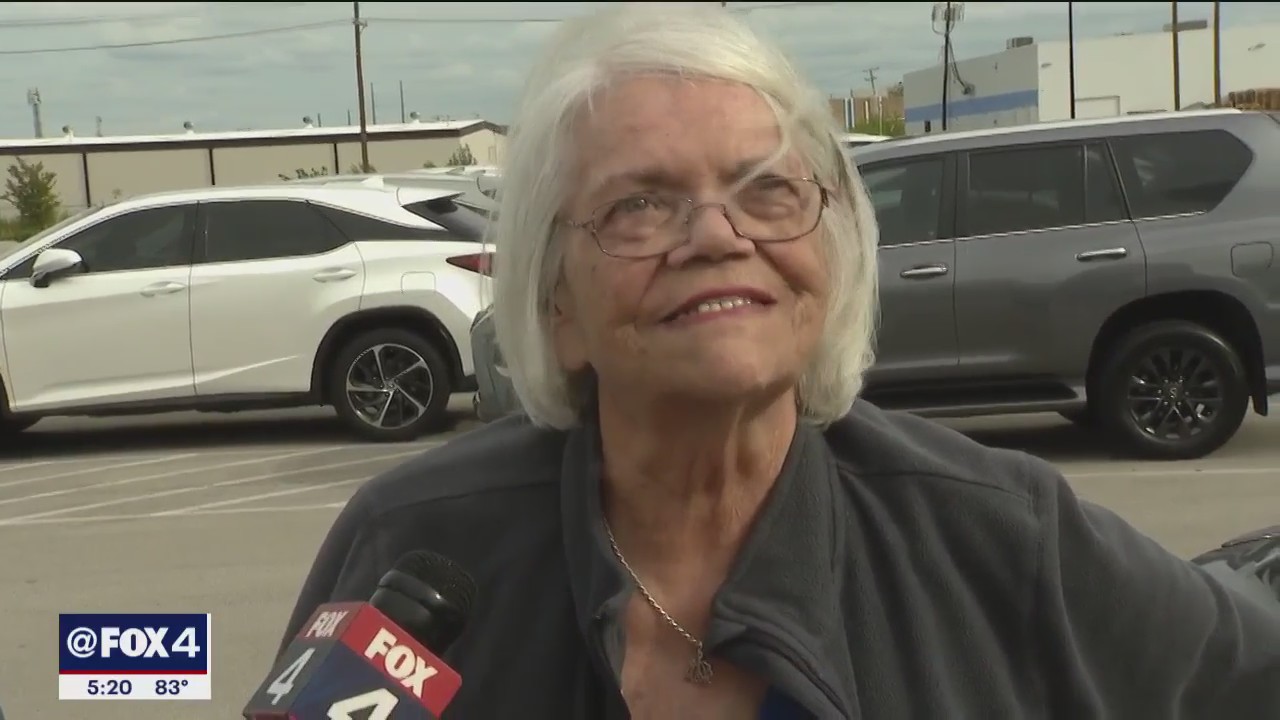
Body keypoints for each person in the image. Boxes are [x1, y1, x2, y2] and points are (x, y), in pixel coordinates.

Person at [279, 3, 1280, 717]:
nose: (715, 234)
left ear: (828, 255)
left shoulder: (1000, 537)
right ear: (558, 306)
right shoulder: (412, 543)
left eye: (766, 190)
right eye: (639, 204)